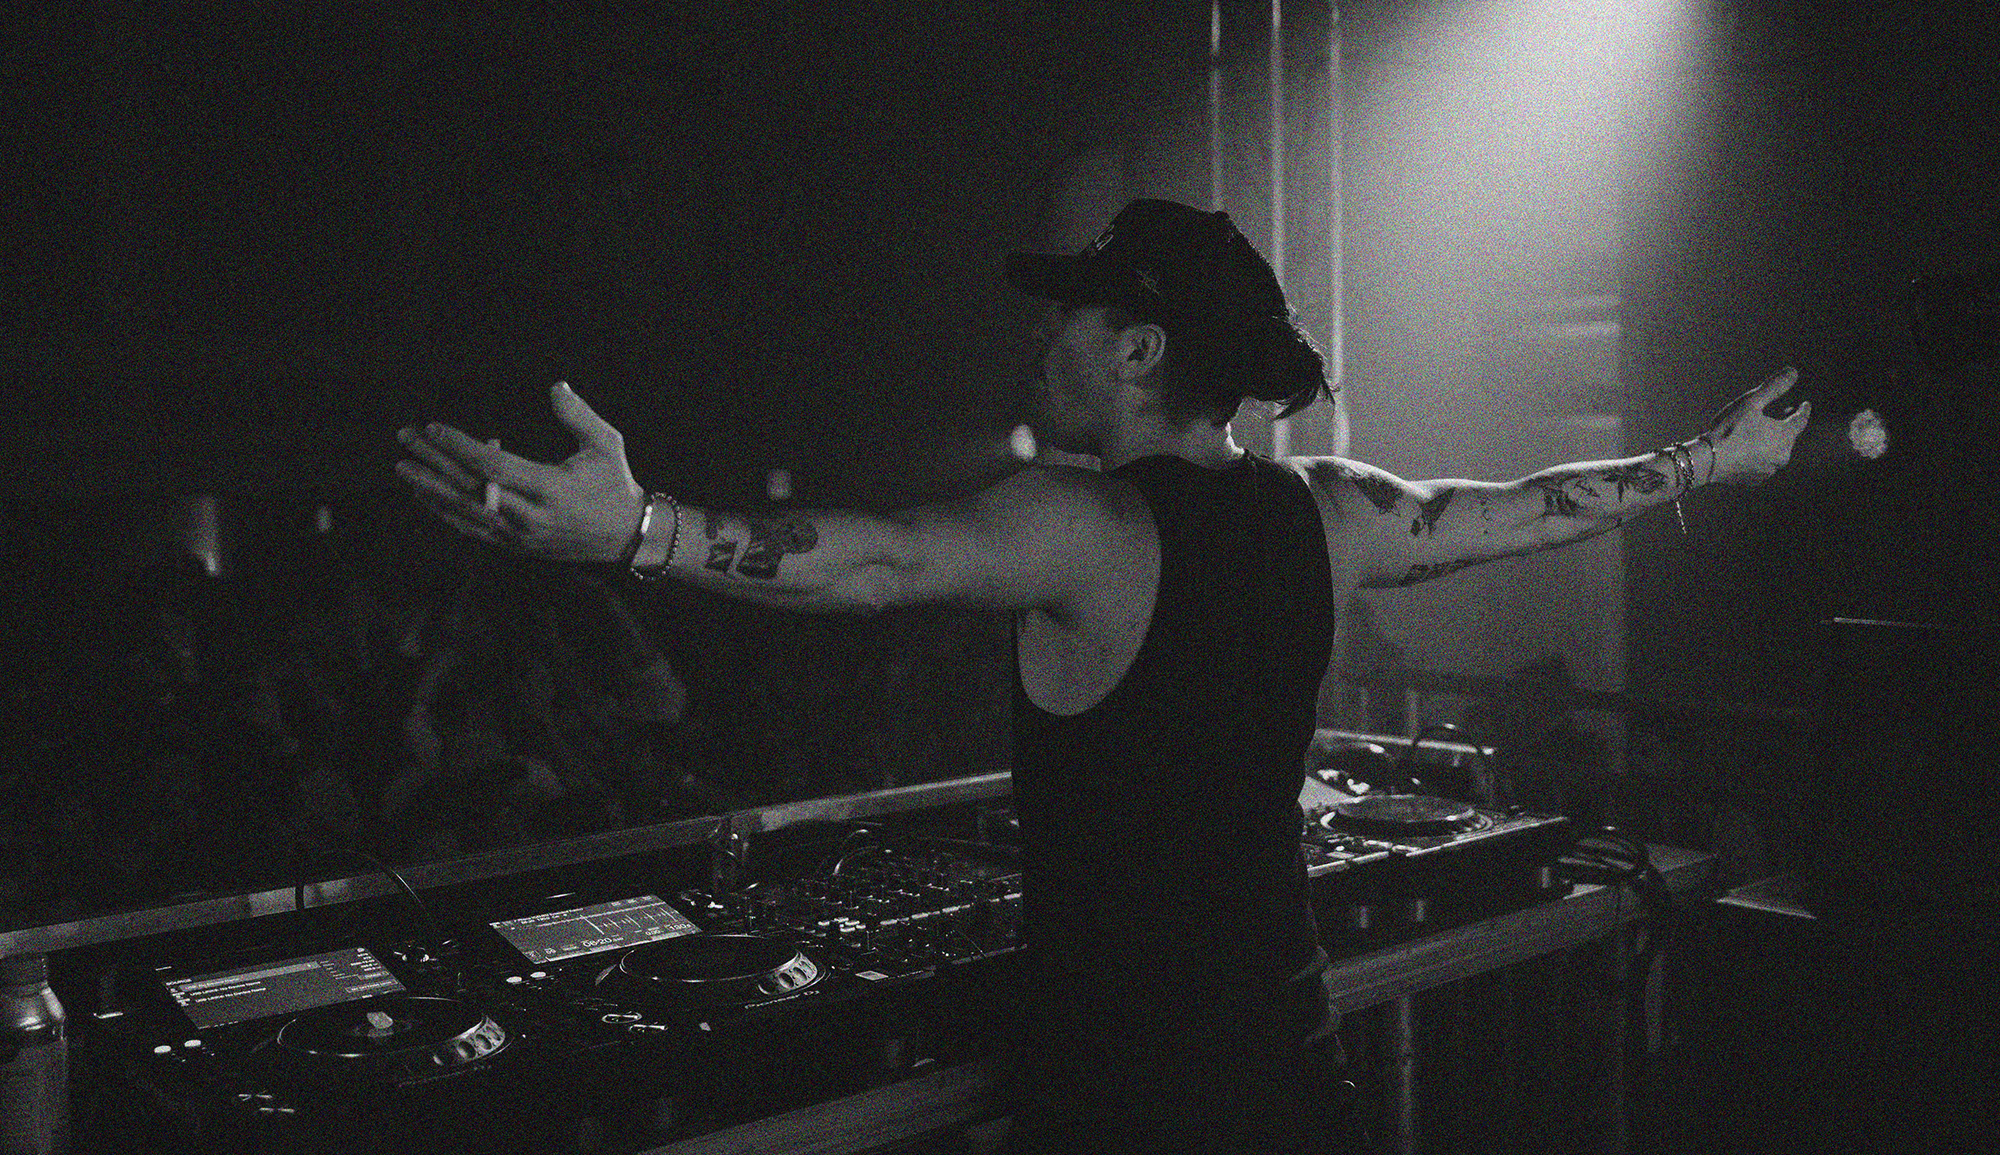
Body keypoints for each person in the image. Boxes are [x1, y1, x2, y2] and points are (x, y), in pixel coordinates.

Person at [395, 198, 1808, 1154]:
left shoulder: (1089, 524)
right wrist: (1714, 462)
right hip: (1290, 1069)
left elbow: (877, 561)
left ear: (1136, 351)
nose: (1039, 340)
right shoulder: (1327, 511)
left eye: (1067, 320)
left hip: (1135, 1109)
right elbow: (1527, 506)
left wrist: (632, 530)